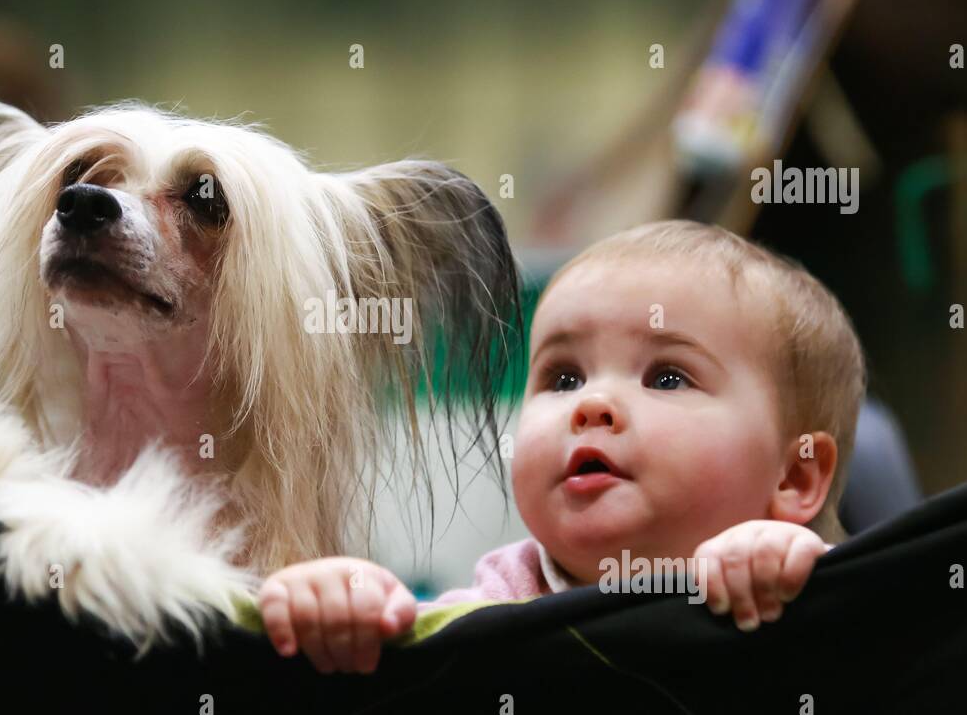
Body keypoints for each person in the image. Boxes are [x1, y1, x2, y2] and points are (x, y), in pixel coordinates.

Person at [259, 219, 866, 673]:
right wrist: (345, 607)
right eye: (564, 377)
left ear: (793, 478)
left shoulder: (798, 586)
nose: (590, 404)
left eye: (667, 377)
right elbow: (414, 672)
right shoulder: (499, 605)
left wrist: (787, 575)